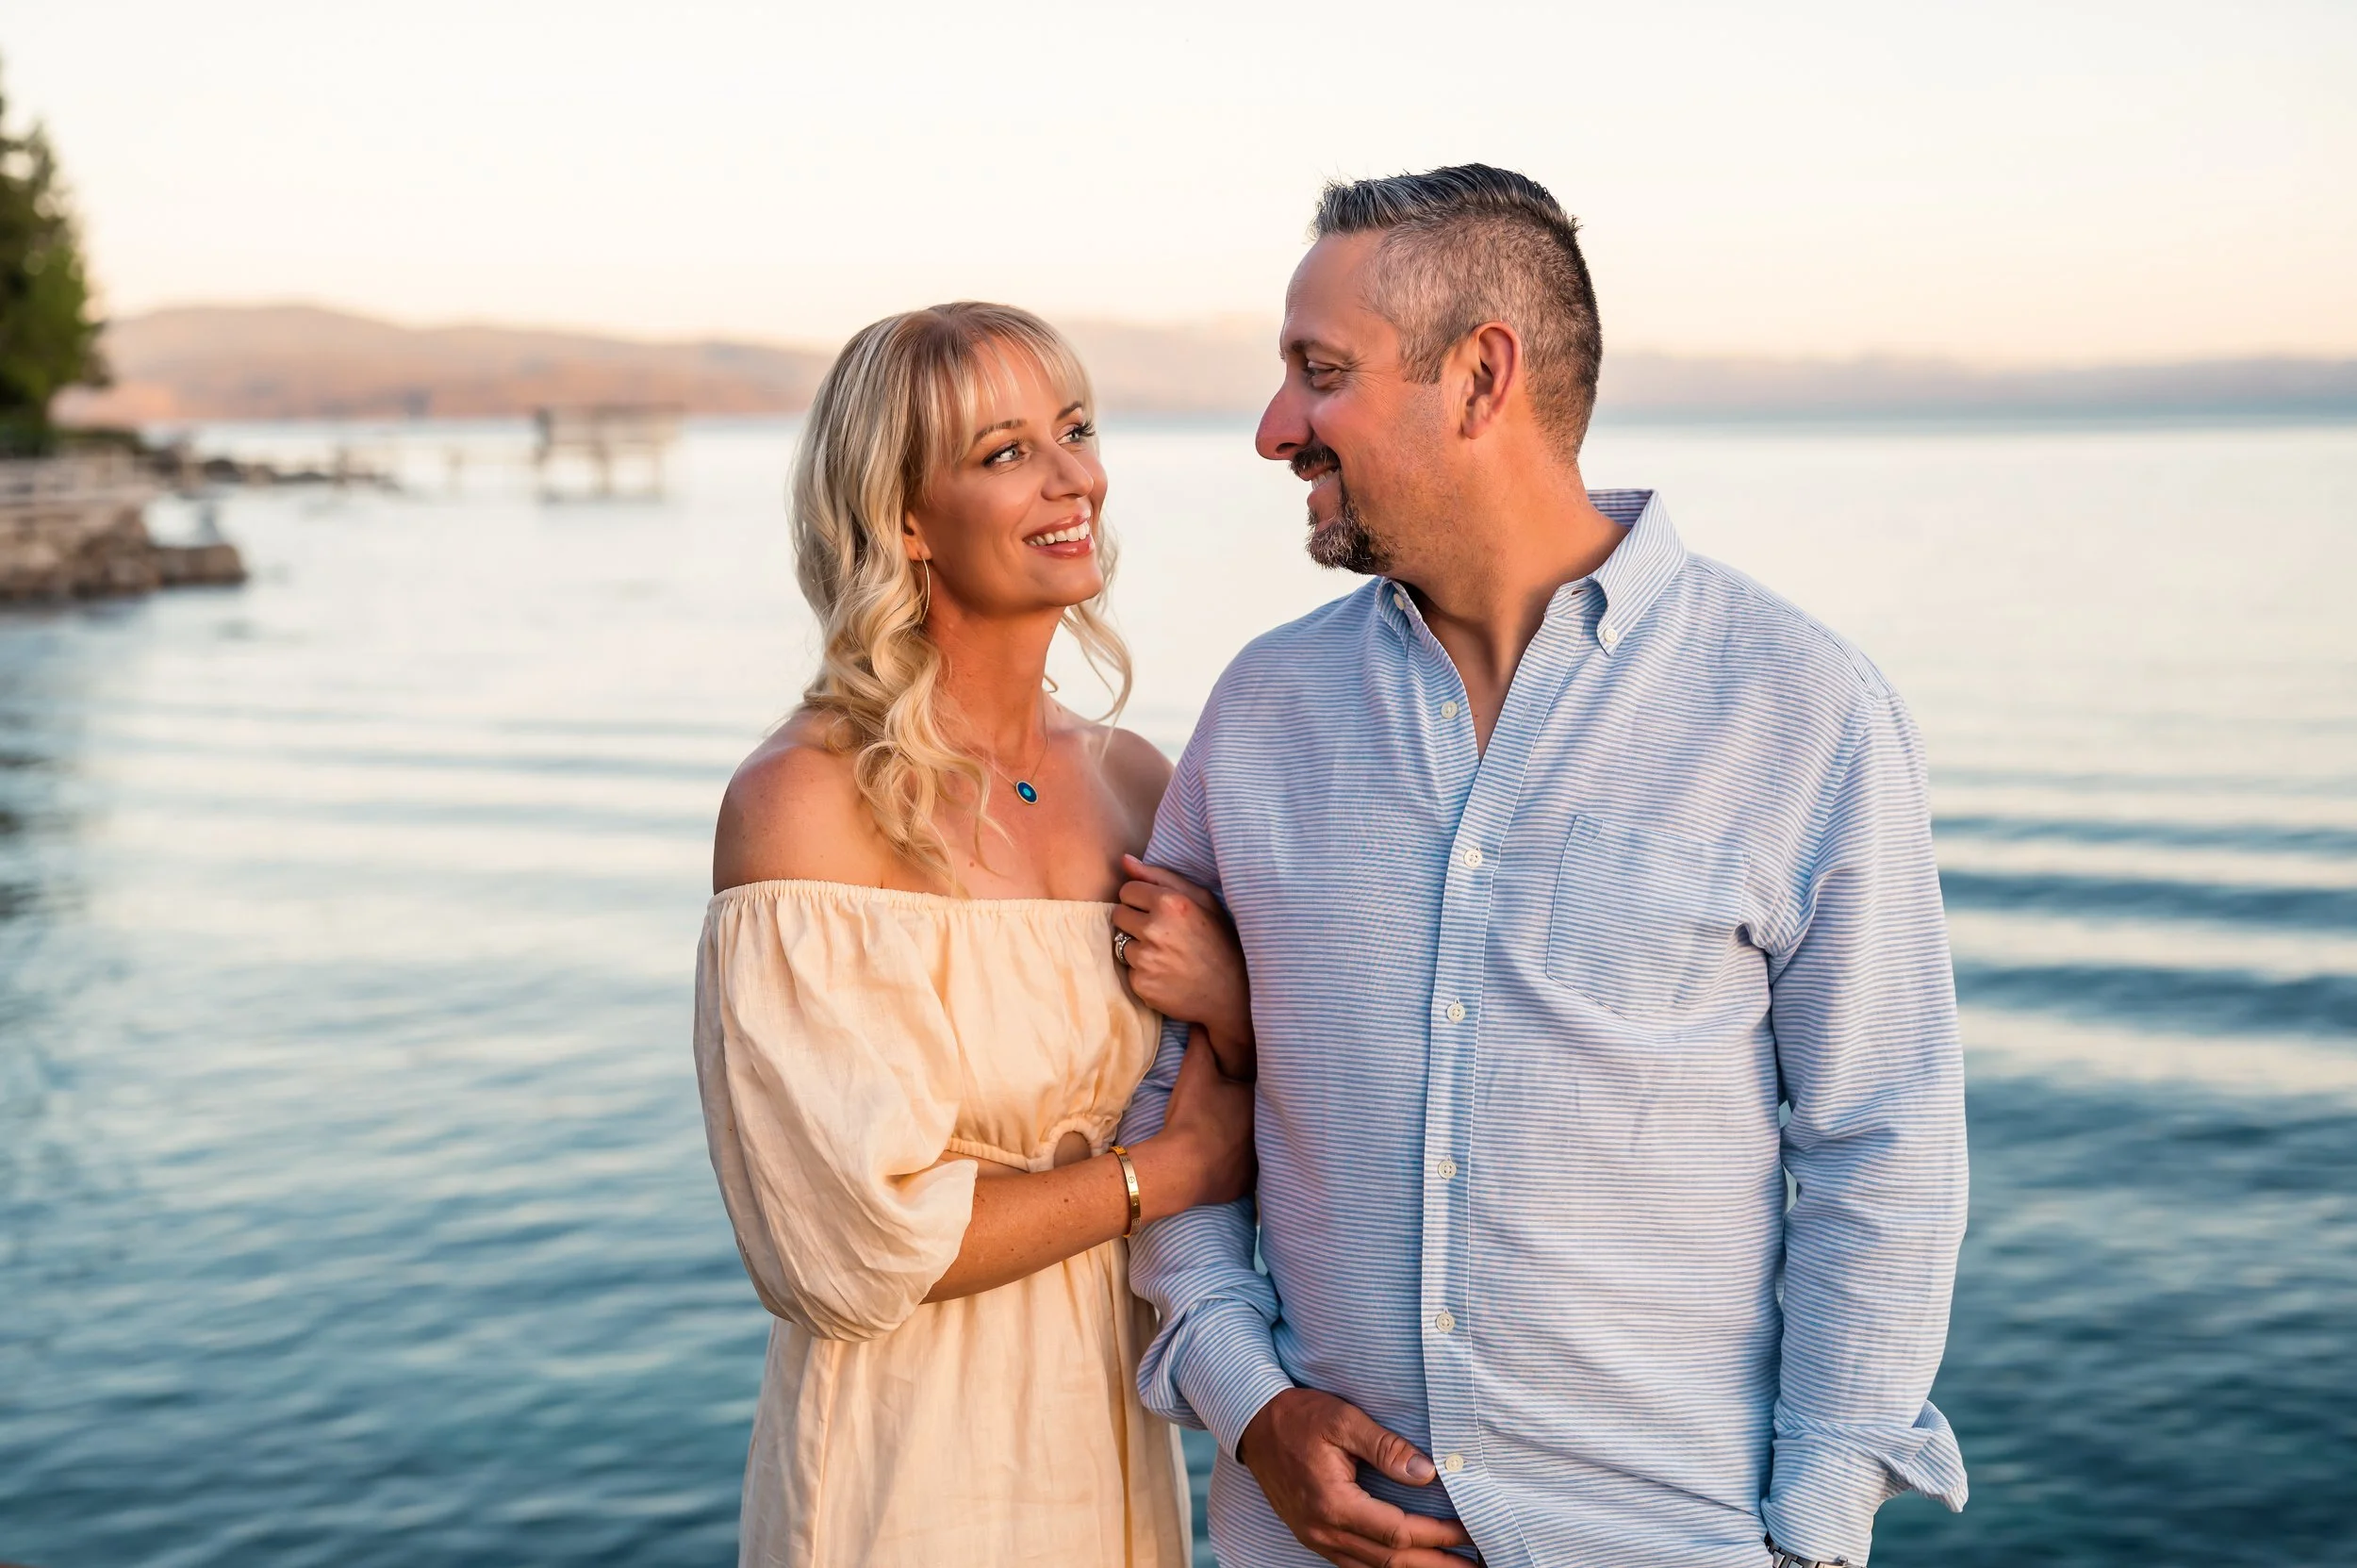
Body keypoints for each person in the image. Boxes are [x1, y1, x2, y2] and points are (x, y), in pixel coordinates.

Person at [1116, 166, 1970, 1568]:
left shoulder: (1801, 706)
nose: (1276, 429)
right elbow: (1166, 1106)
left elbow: (1885, 1145)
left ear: (1480, 375)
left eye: (1319, 375)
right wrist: (1251, 1404)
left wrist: (1812, 1533)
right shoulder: (1260, 714)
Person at [692, 302, 1258, 1568]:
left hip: (1115, 1443)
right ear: (901, 516)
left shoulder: (1139, 785)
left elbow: (1258, 1099)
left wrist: (1230, 997)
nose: (1076, 478)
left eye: (1076, 430)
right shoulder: (803, 806)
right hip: (909, 1466)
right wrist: (1159, 1177)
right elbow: (843, 1246)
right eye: (1007, 452)